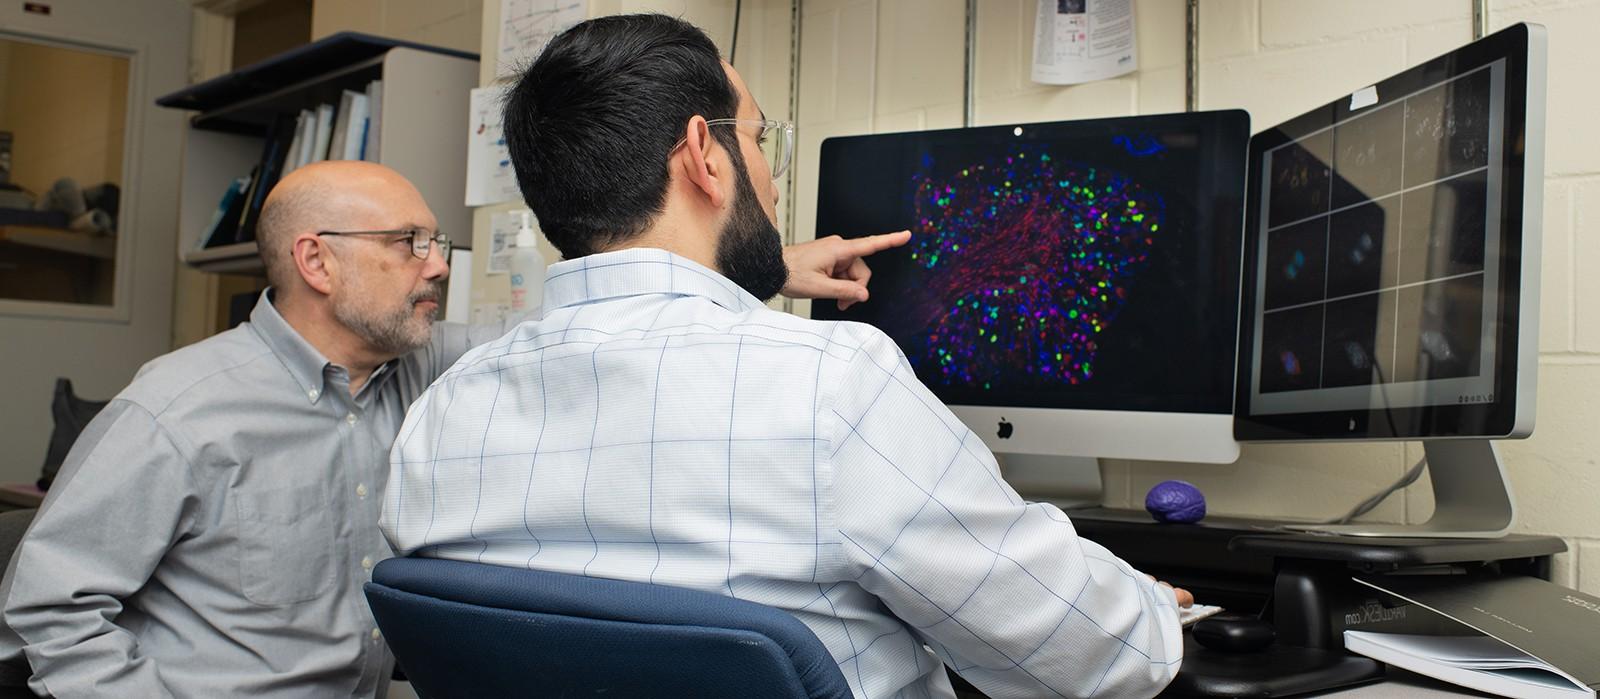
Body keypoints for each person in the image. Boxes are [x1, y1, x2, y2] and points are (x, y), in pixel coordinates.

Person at [383, 13, 1191, 699]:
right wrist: (1156, 612)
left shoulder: (443, 414)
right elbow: (1083, 654)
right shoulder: (832, 384)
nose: (770, 181)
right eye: (761, 141)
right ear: (704, 155)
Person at [0, 159, 901, 698]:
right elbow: (45, 608)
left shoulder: (426, 364)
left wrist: (773, 267)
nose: (438, 268)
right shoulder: (178, 410)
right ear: (316, 260)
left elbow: (592, 323)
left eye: (438, 244)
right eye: (410, 245)